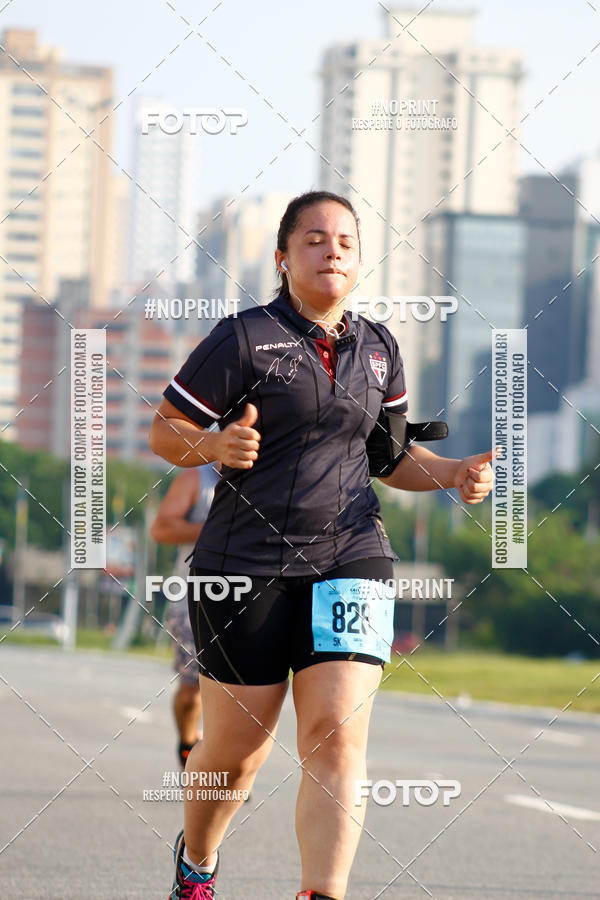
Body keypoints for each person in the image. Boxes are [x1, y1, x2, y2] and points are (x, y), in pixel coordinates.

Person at [149, 190, 496, 900]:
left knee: (337, 735)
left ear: (360, 260)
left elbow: (391, 460)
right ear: (282, 258)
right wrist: (213, 442)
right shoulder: (242, 338)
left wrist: (453, 474)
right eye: (312, 239)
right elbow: (165, 432)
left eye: (344, 241)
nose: (330, 250)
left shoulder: (380, 348)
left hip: (350, 555)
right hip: (242, 566)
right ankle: (198, 864)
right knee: (237, 756)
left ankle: (322, 894)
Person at [150, 465, 219, 768]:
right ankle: (188, 743)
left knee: (242, 693)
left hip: (250, 599)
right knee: (192, 690)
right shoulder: (196, 479)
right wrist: (220, 526)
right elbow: (161, 529)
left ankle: (227, 767)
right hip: (191, 598)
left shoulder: (272, 473)